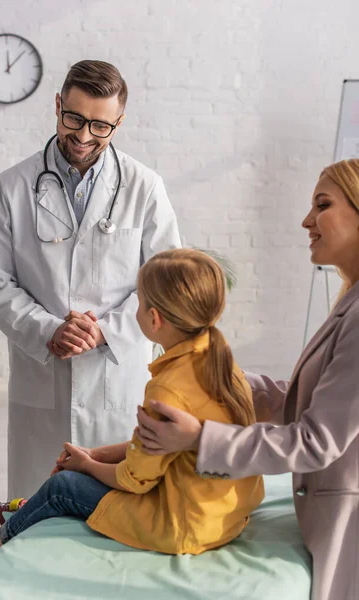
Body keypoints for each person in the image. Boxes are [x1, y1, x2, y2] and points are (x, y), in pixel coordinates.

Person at [134, 160, 359, 600]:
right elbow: (305, 400)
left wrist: (200, 438)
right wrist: (220, 378)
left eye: (323, 205)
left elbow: (316, 440)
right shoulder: (350, 299)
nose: (306, 220)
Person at [0, 249, 264, 562]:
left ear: (154, 318)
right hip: (225, 516)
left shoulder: (167, 389)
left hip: (181, 526)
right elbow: (166, 447)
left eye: (140, 303)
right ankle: (29, 509)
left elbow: (134, 479)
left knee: (64, 486)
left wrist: (88, 467)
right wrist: (95, 454)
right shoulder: (219, 359)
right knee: (81, 475)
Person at [0, 60, 181, 499]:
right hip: (43, 374)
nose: (84, 136)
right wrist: (50, 329)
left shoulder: (144, 187)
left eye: (100, 126)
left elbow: (165, 282)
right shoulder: (12, 187)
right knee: (34, 511)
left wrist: (102, 330)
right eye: (74, 118)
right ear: (57, 106)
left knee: (119, 515)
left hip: (118, 377)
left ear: (118, 123)